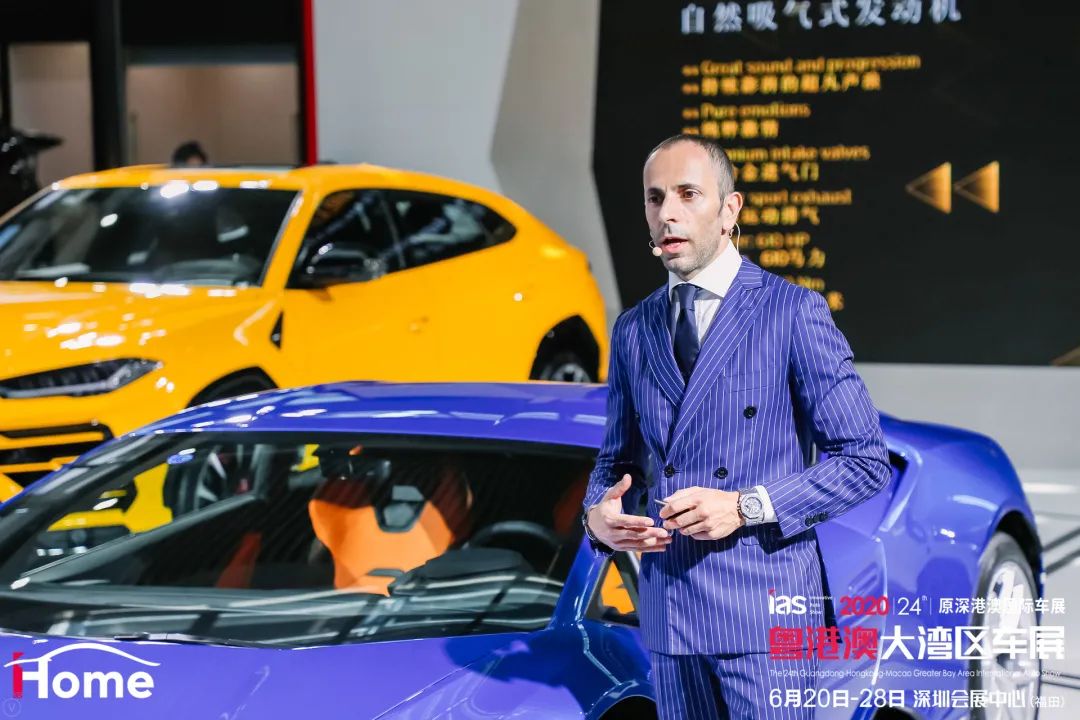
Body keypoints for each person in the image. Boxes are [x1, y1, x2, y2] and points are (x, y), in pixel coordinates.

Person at [581, 135, 890, 719]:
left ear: (730, 210)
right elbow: (616, 462)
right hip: (670, 615)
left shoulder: (791, 312)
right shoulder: (633, 329)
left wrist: (744, 507)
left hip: (766, 609)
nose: (667, 213)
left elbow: (864, 461)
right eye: (654, 198)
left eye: (687, 194)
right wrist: (599, 518)